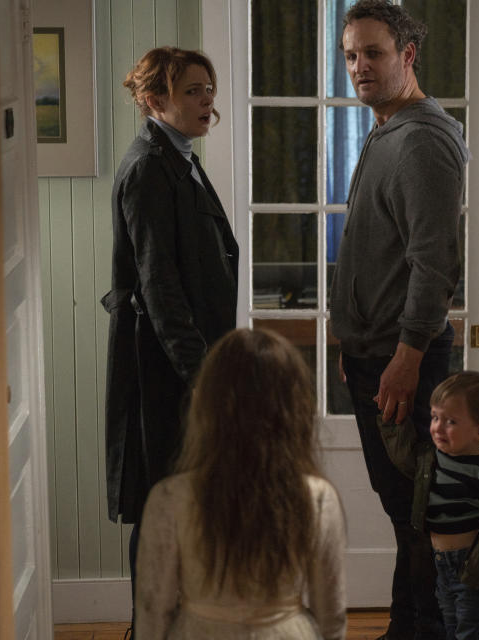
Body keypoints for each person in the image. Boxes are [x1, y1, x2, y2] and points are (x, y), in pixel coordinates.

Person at [329, 1, 469, 638]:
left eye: (372, 53)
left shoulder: (419, 140)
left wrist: (407, 358)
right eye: (351, 55)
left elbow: (434, 266)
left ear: (408, 56)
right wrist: (348, 338)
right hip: (376, 354)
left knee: (422, 515)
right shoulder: (388, 126)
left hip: (402, 360)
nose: (358, 67)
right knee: (404, 513)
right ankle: (404, 630)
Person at [100, 46, 239, 624]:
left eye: (209, 88)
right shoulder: (147, 167)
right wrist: (201, 376)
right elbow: (159, 287)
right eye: (192, 91)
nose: (208, 100)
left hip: (185, 365)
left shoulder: (178, 154)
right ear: (154, 100)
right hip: (165, 372)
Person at [134, 328, 347, 640]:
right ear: (294, 408)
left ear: (207, 403)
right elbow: (331, 615)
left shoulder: (169, 498)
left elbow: (153, 611)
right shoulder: (317, 497)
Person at [378, 372, 479, 640]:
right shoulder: (430, 458)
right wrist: (391, 422)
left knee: (474, 626)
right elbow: (403, 456)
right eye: (435, 417)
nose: (437, 427)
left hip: (474, 567)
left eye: (450, 421)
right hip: (440, 565)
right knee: (450, 626)